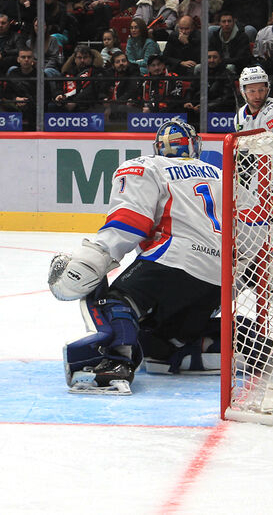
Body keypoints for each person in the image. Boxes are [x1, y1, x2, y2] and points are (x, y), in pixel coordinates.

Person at [46, 118, 222, 393]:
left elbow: (129, 223)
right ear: (194, 144)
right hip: (220, 277)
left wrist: (95, 257)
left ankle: (115, 362)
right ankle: (184, 348)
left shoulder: (147, 166)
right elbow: (253, 228)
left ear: (159, 147)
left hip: (175, 259)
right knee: (153, 335)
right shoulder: (221, 173)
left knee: (108, 298)